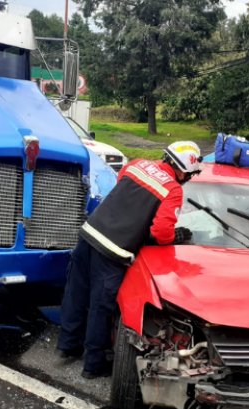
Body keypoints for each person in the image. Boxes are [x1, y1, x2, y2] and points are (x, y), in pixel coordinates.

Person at [57, 141, 201, 379]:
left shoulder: (136, 165)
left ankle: (67, 346)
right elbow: (161, 233)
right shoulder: (173, 190)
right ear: (184, 170)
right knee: (101, 308)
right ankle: (92, 365)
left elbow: (122, 194)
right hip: (113, 250)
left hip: (88, 234)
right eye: (191, 174)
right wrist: (177, 235)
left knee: (76, 293)